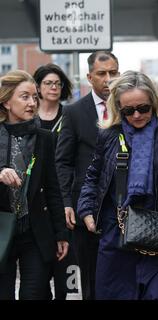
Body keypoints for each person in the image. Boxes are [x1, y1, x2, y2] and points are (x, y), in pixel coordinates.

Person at [77, 71, 158, 300]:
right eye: (129, 111)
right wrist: (86, 209)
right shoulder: (109, 135)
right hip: (116, 236)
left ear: (154, 103)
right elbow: (93, 176)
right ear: (118, 108)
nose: (137, 115)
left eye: (143, 108)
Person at [55, 51, 119, 300]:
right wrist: (67, 203)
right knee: (90, 277)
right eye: (102, 74)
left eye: (113, 72)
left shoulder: (130, 107)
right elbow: (63, 161)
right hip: (86, 207)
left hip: (122, 206)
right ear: (89, 77)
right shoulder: (74, 112)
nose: (108, 79)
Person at [0, 70, 68, 299]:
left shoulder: (44, 138)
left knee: (35, 294)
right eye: (24, 97)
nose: (32, 103)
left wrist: (61, 234)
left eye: (34, 97)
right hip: (1, 231)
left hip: (35, 232)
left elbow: (53, 189)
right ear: (7, 101)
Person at [33, 63, 77, 300]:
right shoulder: (29, 118)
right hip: (37, 205)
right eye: (48, 83)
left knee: (68, 279)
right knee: (37, 283)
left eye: (58, 83)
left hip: (64, 202)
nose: (54, 87)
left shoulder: (70, 115)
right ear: (37, 87)